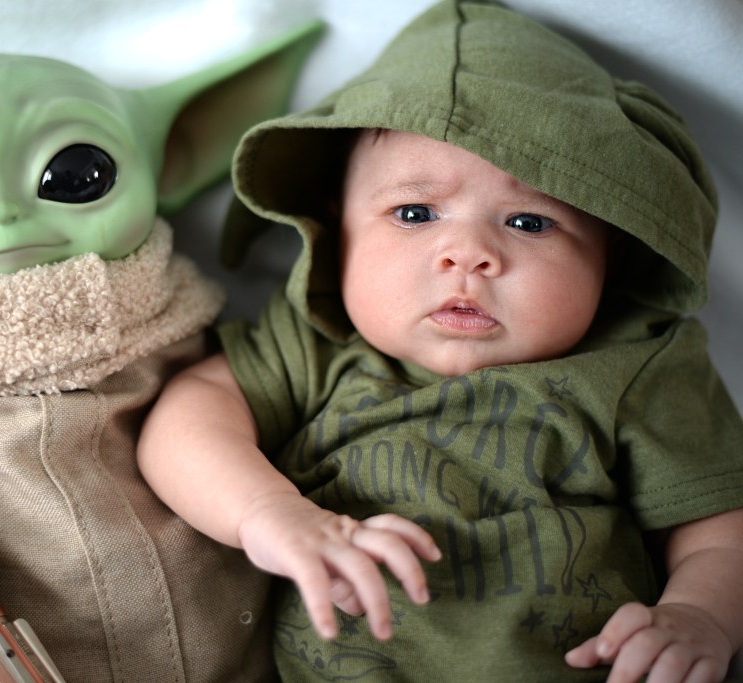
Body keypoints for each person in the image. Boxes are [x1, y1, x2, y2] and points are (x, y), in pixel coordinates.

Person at [137, 1, 743, 680]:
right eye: (415, 212)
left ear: (612, 251)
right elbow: (188, 418)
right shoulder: (316, 341)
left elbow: (719, 524)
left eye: (529, 222)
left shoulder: (634, 360)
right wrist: (267, 512)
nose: (469, 254)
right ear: (340, 232)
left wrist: (700, 614)